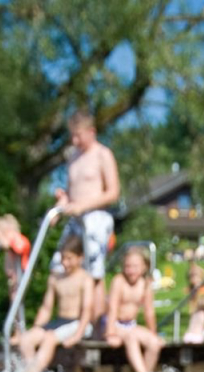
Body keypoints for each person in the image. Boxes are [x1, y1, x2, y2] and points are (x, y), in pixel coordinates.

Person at [52, 110, 120, 325]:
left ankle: (97, 326)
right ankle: (70, 320)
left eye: (78, 135)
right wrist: (60, 205)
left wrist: (83, 205)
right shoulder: (73, 158)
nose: (74, 140)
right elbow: (70, 193)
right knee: (61, 264)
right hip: (75, 219)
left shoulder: (102, 155)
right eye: (72, 135)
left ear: (91, 131)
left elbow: (113, 192)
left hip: (96, 217)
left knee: (94, 273)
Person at [16, 235, 94, 372]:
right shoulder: (55, 278)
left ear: (80, 258)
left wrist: (77, 335)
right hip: (60, 322)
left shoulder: (85, 279)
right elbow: (46, 308)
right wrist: (37, 327)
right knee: (26, 339)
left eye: (69, 258)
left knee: (49, 338)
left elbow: (87, 310)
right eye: (63, 258)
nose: (65, 263)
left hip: (79, 323)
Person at [106, 246, 163, 372]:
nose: (131, 270)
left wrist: (153, 333)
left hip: (131, 325)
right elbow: (112, 307)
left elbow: (149, 312)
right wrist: (110, 333)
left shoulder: (145, 284)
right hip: (116, 324)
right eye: (127, 266)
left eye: (135, 266)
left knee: (154, 343)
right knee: (131, 338)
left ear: (144, 267)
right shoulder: (119, 281)